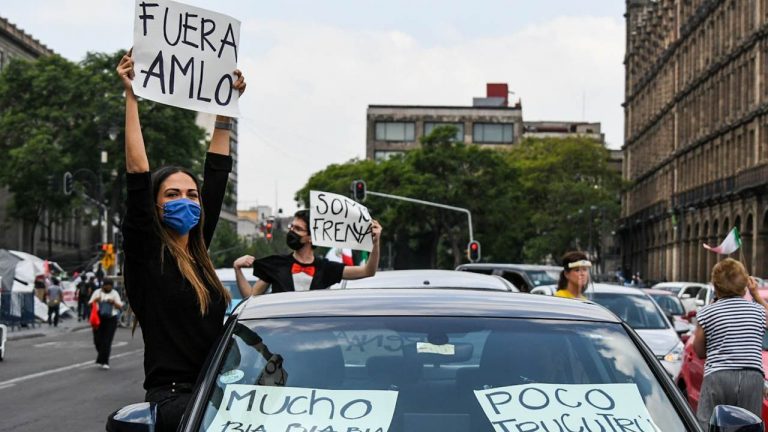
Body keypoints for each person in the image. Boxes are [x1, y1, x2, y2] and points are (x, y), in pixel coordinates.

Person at [116, 50, 246, 431]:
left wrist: (226, 109)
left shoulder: (199, 250)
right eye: (172, 194)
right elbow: (138, 173)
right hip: (176, 402)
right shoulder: (146, 256)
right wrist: (131, 96)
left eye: (192, 194)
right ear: (154, 207)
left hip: (220, 393)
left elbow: (217, 175)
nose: (186, 200)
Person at [234, 209, 382, 296]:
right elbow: (251, 297)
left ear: (311, 237)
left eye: (298, 229)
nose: (291, 232)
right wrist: (237, 269)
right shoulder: (275, 264)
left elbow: (368, 271)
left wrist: (375, 243)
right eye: (292, 227)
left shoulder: (326, 268)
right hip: (279, 338)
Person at [693, 258, 767, 429]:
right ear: (744, 287)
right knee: (749, 426)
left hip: (718, 375)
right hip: (752, 377)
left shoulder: (707, 312)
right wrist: (755, 294)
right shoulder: (757, 310)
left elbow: (699, 350)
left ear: (716, 286)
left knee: (708, 423)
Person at [89, 279, 123, 370]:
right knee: (97, 340)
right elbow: (89, 304)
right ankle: (101, 356)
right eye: (106, 285)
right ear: (103, 285)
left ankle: (105, 361)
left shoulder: (114, 293)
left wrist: (113, 302)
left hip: (111, 319)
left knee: (107, 341)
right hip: (99, 319)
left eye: (110, 286)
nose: (108, 287)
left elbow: (120, 306)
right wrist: (95, 300)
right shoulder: (97, 292)